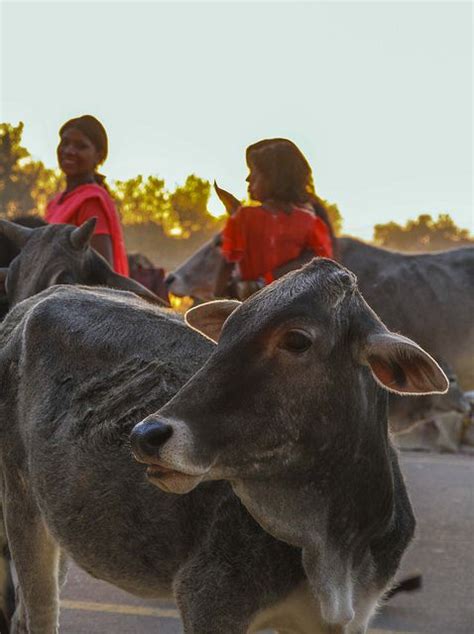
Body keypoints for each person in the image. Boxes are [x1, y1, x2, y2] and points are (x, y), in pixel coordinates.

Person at [215, 138, 335, 298]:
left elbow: (227, 263)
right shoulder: (309, 221)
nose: (247, 179)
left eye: (254, 173)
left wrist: (219, 296)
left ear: (273, 179)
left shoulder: (244, 218)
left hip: (257, 299)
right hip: (290, 302)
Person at [46, 115, 129, 276]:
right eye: (65, 143)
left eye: (81, 146)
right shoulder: (55, 203)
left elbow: (102, 271)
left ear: (98, 155)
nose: (69, 151)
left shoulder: (91, 202)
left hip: (70, 298)